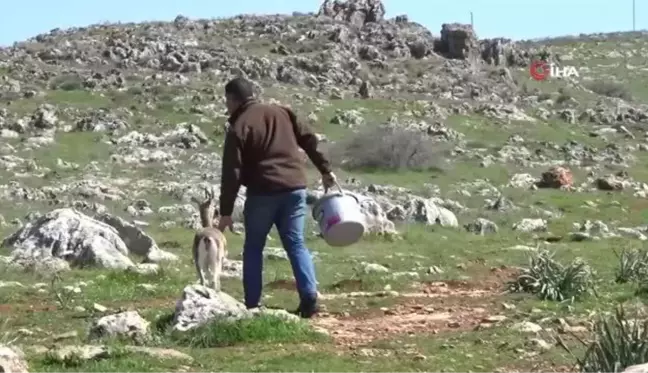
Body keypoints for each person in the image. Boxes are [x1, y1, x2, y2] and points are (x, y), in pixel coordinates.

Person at [217, 77, 337, 318]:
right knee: (296, 243)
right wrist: (325, 169)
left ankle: (252, 305)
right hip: (294, 189)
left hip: (263, 193)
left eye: (227, 101)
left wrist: (226, 211)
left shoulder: (239, 125)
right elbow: (309, 140)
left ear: (232, 99)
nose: (227, 107)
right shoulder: (282, 112)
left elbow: (232, 171)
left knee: (253, 248)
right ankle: (310, 298)